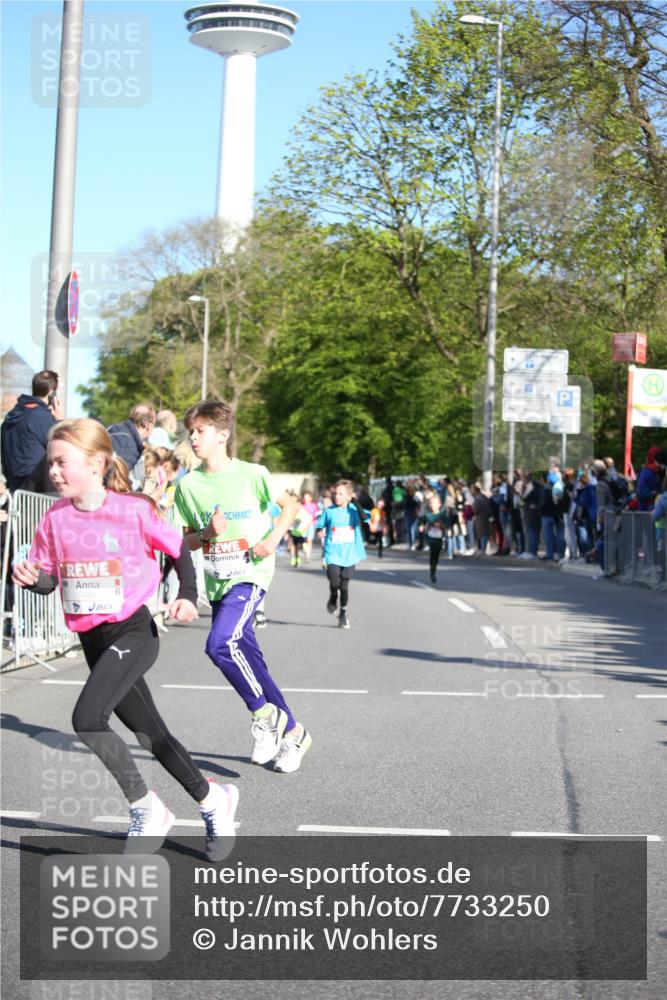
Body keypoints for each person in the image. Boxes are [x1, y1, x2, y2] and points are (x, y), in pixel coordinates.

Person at [11, 418, 237, 858]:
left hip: (132, 629)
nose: (53, 471)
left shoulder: (132, 510)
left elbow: (176, 548)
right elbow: (50, 580)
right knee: (152, 735)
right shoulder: (54, 518)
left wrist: (188, 596)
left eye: (62, 462)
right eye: (50, 463)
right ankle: (214, 801)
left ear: (96, 463)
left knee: (87, 718)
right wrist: (30, 577)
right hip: (94, 642)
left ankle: (145, 807)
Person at [173, 400, 312, 774]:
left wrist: (273, 540)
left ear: (223, 434)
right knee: (250, 659)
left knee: (219, 644)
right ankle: (294, 732)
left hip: (251, 575)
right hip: (218, 581)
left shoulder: (253, 474)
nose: (194, 438)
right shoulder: (188, 486)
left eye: (200, 431)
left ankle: (265, 715)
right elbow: (187, 541)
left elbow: (290, 506)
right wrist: (206, 533)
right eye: (191, 432)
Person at [316, 480, 370, 629]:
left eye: (341, 494)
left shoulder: (353, 510)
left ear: (349, 496)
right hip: (332, 553)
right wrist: (319, 531)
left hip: (350, 554)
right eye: (335, 493)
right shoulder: (329, 511)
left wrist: (355, 501)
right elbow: (319, 525)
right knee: (334, 583)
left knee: (344, 586)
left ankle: (343, 614)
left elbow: (365, 518)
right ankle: (333, 596)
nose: (337, 496)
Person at [1, 370, 63, 491]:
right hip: (36, 490)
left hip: (15, 488)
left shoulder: (10, 417)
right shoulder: (40, 417)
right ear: (51, 393)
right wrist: (59, 421)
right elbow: (63, 447)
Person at [107, 403, 156, 485]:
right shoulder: (130, 446)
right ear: (146, 424)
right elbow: (116, 480)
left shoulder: (114, 428)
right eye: (153, 423)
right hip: (98, 493)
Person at [419, 493, 448, 583]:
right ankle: (432, 572)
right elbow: (422, 523)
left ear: (439, 504)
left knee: (436, 555)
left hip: (439, 538)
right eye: (431, 503)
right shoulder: (427, 515)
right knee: (432, 553)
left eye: (435, 503)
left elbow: (447, 525)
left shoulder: (442, 515)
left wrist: (441, 526)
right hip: (430, 537)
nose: (433, 505)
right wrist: (422, 527)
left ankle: (433, 569)